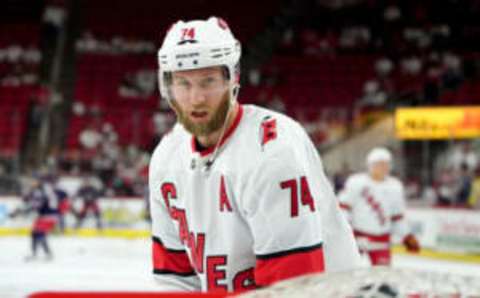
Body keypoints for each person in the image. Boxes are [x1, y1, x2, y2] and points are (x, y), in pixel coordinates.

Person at [149, 17, 361, 293]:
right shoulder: (167, 157)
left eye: (208, 81)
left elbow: (293, 288)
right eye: (183, 83)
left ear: (232, 78)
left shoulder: (272, 150)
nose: (196, 98)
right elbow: (175, 279)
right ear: (168, 86)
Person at [338, 147, 420, 266]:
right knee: (349, 273)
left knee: (383, 277)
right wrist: (345, 231)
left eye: (386, 164)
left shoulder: (395, 186)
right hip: (357, 237)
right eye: (380, 164)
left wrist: (406, 236)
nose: (384, 167)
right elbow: (344, 208)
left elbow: (397, 217)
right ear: (371, 165)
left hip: (381, 239)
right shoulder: (356, 182)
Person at [11, 176, 62, 261]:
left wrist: (20, 212)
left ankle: (45, 253)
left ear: (38, 181)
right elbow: (32, 202)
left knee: (39, 233)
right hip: (45, 216)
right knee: (35, 233)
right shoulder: (41, 190)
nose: (32, 183)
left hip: (49, 215)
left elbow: (36, 204)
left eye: (33, 181)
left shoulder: (41, 190)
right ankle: (41, 253)